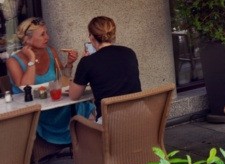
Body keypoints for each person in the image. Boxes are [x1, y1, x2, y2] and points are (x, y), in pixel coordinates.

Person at [7, 17, 94, 145]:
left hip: (59, 104)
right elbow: (25, 86)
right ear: (27, 39)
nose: (47, 37)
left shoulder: (51, 51)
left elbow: (62, 81)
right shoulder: (13, 61)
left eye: (46, 33)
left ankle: (85, 148)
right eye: (42, 34)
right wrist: (31, 59)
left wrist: (69, 63)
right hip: (39, 113)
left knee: (84, 107)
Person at [70, 16, 141, 122]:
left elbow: (74, 96)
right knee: (91, 117)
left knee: (76, 123)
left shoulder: (87, 62)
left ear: (92, 37)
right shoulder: (129, 53)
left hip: (112, 123)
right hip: (140, 117)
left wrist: (82, 64)